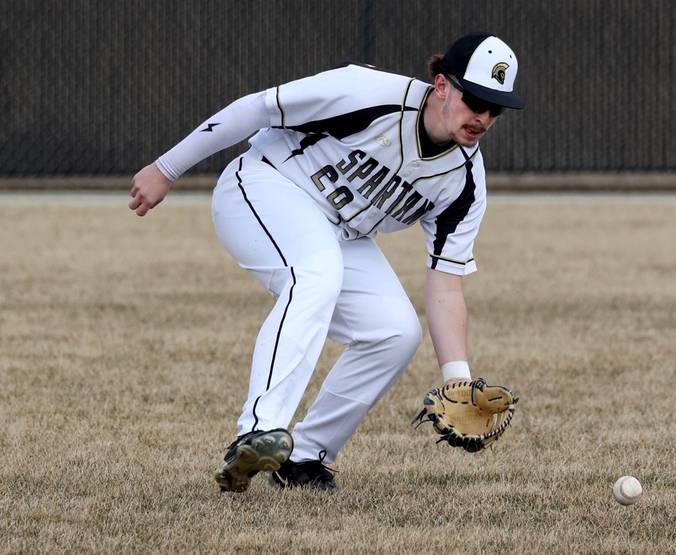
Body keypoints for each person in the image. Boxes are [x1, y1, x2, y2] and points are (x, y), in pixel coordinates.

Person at [129, 32, 524, 492]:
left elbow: (446, 283)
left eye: (495, 107)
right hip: (264, 185)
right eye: (474, 98)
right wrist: (167, 168)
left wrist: (458, 379)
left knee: (396, 332)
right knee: (317, 273)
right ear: (441, 85)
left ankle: (303, 458)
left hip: (337, 233)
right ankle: (258, 429)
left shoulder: (464, 182)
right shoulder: (369, 94)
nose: (483, 116)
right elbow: (257, 107)